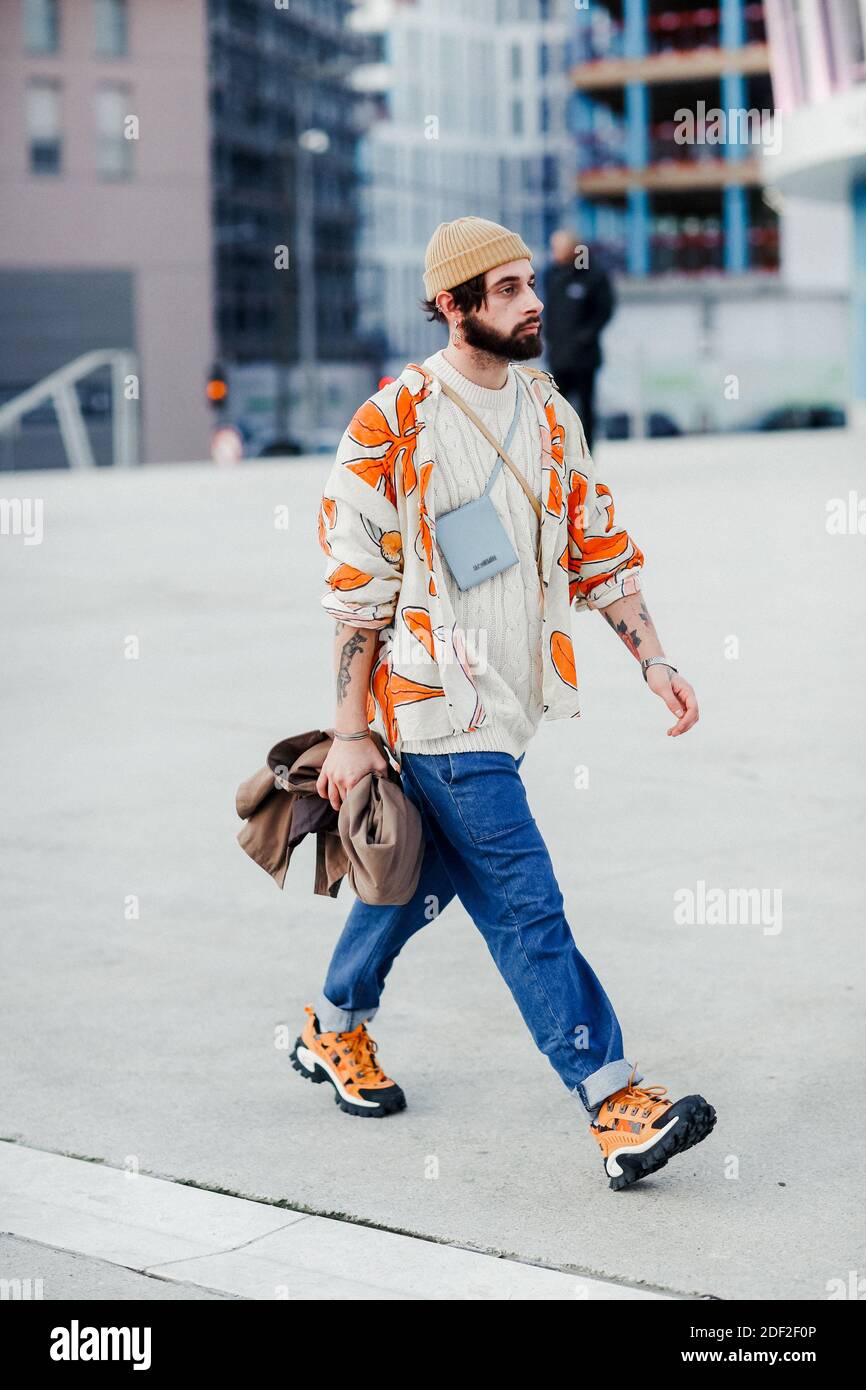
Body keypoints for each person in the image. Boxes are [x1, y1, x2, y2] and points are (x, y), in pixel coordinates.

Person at [291, 216, 715, 1191]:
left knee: (420, 884)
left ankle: (330, 1024)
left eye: (533, 283)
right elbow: (355, 596)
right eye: (511, 288)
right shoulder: (389, 424)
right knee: (525, 905)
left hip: (512, 707)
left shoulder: (547, 410)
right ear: (452, 304)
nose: (534, 302)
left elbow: (597, 547)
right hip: (436, 713)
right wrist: (352, 733)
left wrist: (653, 659)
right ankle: (613, 1102)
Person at [542, 227, 615, 452]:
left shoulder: (591, 275)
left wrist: (586, 335)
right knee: (558, 408)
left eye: (560, 247)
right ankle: (561, 452)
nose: (555, 252)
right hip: (558, 355)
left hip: (584, 358)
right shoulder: (551, 275)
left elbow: (605, 309)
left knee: (585, 408)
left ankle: (586, 452)